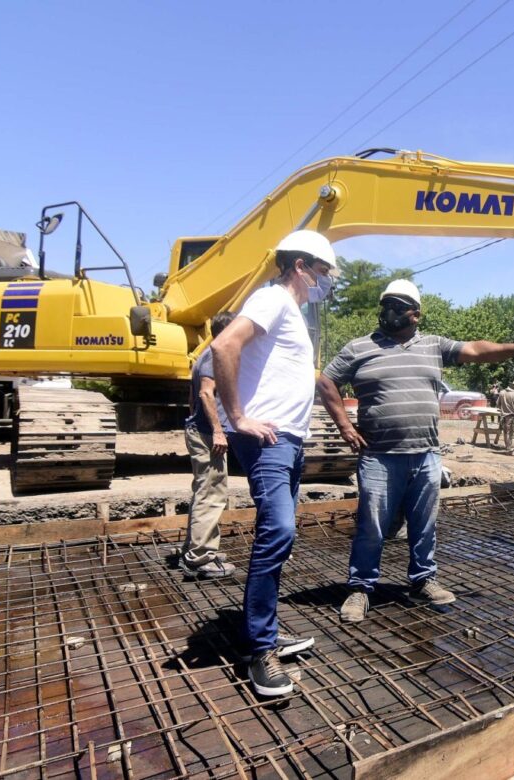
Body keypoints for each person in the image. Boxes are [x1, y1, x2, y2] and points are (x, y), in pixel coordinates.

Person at [317, 279, 514, 623]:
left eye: (397, 306)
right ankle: (361, 588)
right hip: (380, 456)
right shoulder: (359, 347)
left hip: (425, 454)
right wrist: (345, 427)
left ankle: (422, 580)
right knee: (372, 526)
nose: (389, 313)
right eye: (386, 306)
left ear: (415, 314)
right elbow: (325, 381)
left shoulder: (434, 346)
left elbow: (476, 349)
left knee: (424, 525)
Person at [211, 228, 336, 697]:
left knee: (279, 540)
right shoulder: (274, 299)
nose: (326, 281)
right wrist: (237, 416)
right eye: (323, 272)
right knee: (278, 532)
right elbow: (224, 346)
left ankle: (263, 631)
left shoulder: (292, 314)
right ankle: (259, 650)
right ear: (301, 266)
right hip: (270, 441)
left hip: (289, 441)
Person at [180, 311, 237, 579]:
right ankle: (201, 557)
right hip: (206, 434)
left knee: (204, 491)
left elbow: (193, 397)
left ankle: (196, 547)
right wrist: (216, 430)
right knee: (212, 494)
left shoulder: (203, 355)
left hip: (198, 430)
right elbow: (204, 393)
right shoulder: (215, 356)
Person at [496, 380, 514, 454]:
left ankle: (507, 448)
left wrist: (504, 408)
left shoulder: (502, 392)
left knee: (506, 432)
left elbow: (498, 404)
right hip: (511, 416)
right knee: (512, 433)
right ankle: (510, 450)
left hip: (503, 416)